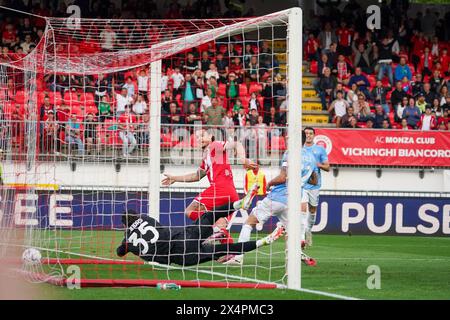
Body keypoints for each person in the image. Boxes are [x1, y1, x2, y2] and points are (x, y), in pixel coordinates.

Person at [225, 130, 318, 266]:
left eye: (289, 136)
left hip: (278, 197)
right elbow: (314, 180)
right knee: (291, 232)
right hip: (293, 200)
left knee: (249, 222)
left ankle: (238, 257)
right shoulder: (311, 157)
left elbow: (282, 177)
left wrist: (269, 184)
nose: (286, 137)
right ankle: (297, 254)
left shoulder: (290, 153)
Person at [161, 129, 257, 243]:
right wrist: (174, 178)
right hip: (230, 193)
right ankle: (232, 255)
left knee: (190, 210)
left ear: (211, 136)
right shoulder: (206, 157)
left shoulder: (214, 145)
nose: (199, 138)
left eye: (202, 135)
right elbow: (196, 176)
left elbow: (237, 144)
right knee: (220, 224)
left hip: (221, 189)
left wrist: (243, 159)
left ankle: (212, 230)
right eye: (197, 137)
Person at [116, 208, 285, 266]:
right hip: (182, 240)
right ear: (137, 216)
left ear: (125, 225)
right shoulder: (145, 218)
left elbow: (119, 252)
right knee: (207, 217)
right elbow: (160, 230)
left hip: (182, 260)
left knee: (225, 249)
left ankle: (263, 241)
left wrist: (126, 243)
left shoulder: (128, 238)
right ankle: (235, 206)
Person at [302, 127, 330, 247]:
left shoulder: (320, 150)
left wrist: (317, 164)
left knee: (312, 210)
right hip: (302, 185)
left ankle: (308, 230)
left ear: (314, 136)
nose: (308, 135)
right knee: (302, 210)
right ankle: (302, 237)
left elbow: (327, 167)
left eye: (310, 133)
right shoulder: (299, 149)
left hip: (314, 185)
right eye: (306, 133)